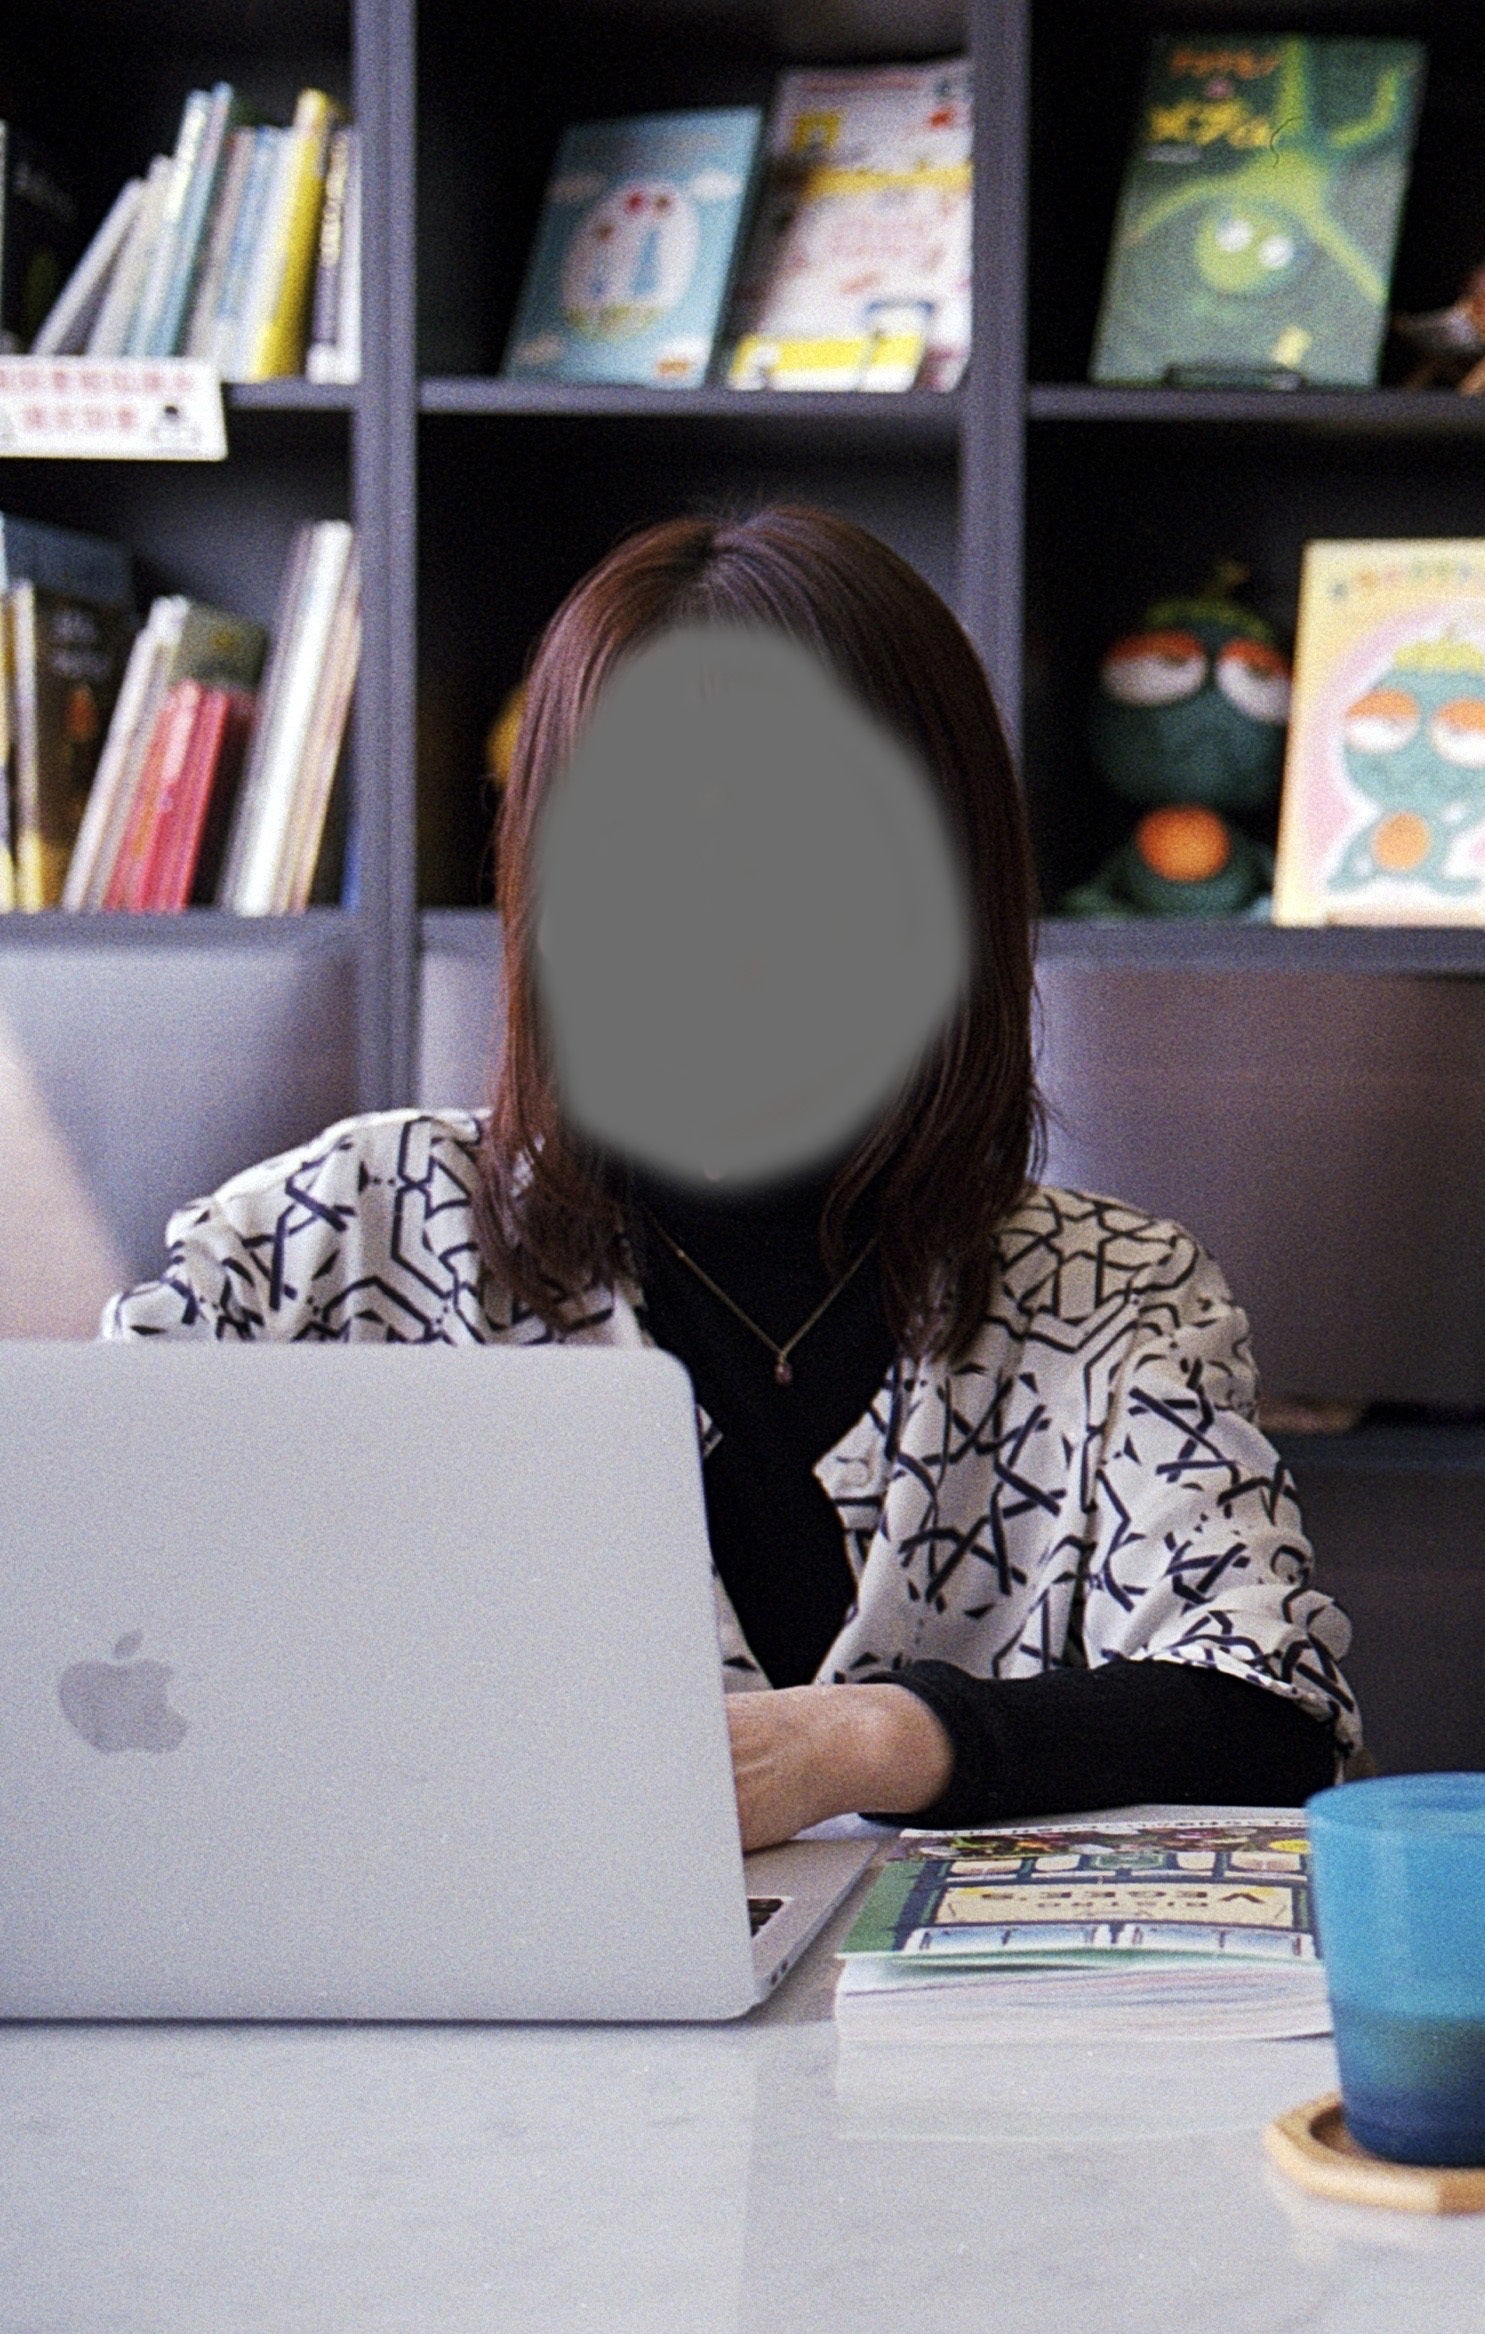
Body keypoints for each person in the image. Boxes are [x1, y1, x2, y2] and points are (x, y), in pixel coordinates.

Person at [105, 505, 1360, 1846]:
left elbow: (1269, 1717)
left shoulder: (1111, 1296)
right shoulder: (333, 1242)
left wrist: (857, 1742)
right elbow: (70, 1615)